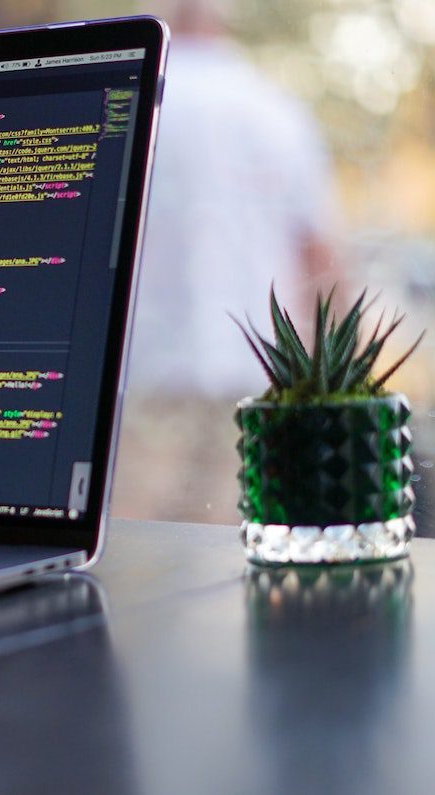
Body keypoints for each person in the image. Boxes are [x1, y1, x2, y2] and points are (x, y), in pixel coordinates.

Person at [112, 0, 343, 522]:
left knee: (135, 570)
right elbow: (324, 264)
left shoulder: (132, 99)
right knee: (230, 566)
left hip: (142, 381)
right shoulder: (276, 110)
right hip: (256, 385)